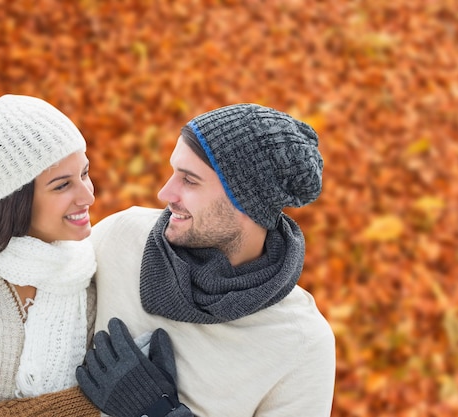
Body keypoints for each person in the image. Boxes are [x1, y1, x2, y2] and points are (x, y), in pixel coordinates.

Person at [80, 103, 336, 416]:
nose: (166, 192)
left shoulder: (302, 342)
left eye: (189, 180)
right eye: (173, 172)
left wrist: (157, 412)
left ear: (245, 202)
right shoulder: (122, 238)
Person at [0, 94, 103, 417]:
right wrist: (79, 406)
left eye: (84, 173)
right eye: (62, 185)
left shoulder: (84, 271)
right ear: (15, 199)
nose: (88, 195)